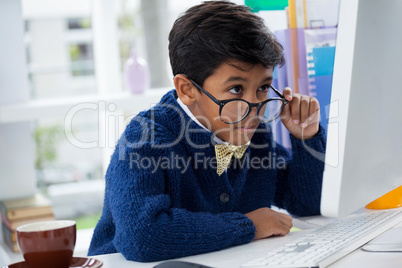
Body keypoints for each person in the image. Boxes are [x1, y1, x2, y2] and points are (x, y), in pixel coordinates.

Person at [88, 0, 326, 262]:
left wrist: (306, 138)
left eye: (263, 87)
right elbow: (143, 236)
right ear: (187, 89)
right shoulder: (145, 138)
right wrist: (249, 226)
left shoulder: (253, 134)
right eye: (236, 89)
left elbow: (310, 205)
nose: (255, 107)